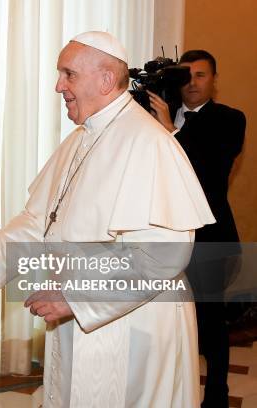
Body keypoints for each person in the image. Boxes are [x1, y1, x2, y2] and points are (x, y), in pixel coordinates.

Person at [0, 32, 215, 407]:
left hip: (134, 324)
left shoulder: (149, 143)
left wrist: (78, 298)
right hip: (80, 312)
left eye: (68, 74)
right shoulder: (82, 137)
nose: (58, 86)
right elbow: (41, 217)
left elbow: (165, 254)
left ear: (106, 80)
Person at [149, 50, 246, 407]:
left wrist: (171, 132)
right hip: (163, 237)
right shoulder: (158, 112)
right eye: (185, 74)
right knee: (167, 320)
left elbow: (210, 171)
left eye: (201, 75)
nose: (192, 81)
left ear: (214, 80)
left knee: (209, 321)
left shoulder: (230, 119)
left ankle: (216, 395)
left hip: (210, 238)